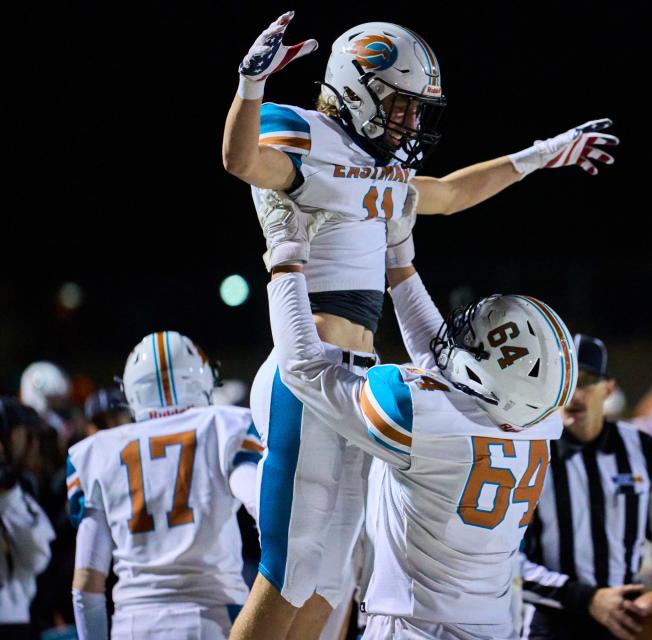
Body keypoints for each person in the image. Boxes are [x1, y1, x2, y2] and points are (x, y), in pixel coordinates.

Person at [223, 12, 618, 638]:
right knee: (289, 574)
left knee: (330, 580)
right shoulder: (303, 131)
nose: (408, 122)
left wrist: (542, 155)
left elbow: (453, 194)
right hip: (310, 366)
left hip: (353, 369)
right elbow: (243, 162)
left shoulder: (374, 165)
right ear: (354, 85)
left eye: (415, 109)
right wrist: (251, 87)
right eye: (398, 104)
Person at [232, 191, 577, 640]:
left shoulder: (422, 415)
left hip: (415, 626)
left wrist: (285, 258)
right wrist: (401, 260)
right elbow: (446, 362)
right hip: (492, 625)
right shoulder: (537, 421)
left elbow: (304, 369)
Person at [69, 332, 262, 639]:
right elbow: (265, 512)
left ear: (131, 389)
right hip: (210, 618)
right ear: (202, 380)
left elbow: (85, 585)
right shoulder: (223, 426)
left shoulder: (96, 452)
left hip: (132, 624)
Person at [520, 336, 652, 640]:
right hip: (553, 621)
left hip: (627, 620)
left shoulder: (643, 448)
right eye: (564, 381)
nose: (573, 394)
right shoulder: (528, 453)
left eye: (586, 381)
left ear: (609, 388)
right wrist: (586, 598)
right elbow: (506, 561)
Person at [0, 398, 56, 640]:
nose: (33, 445)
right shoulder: (14, 490)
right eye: (24, 435)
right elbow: (36, 557)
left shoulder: (16, 488)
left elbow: (38, 557)